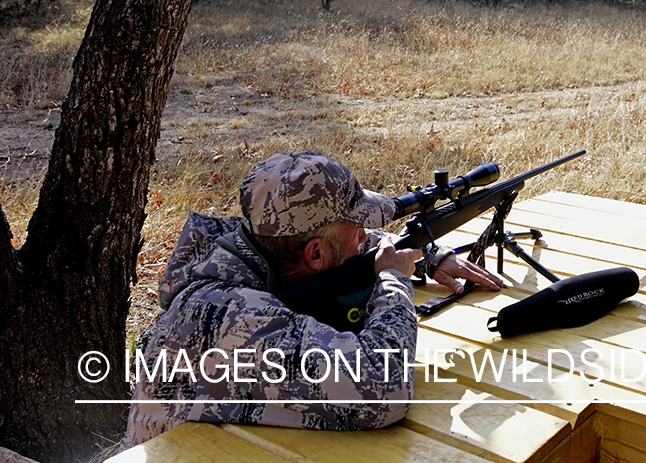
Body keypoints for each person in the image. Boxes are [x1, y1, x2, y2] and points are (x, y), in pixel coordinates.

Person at [123, 151, 504, 448]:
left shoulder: (258, 242)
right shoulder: (226, 314)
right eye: (355, 226)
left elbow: (361, 245)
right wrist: (393, 281)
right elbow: (383, 389)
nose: (365, 234)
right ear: (315, 255)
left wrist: (429, 255)